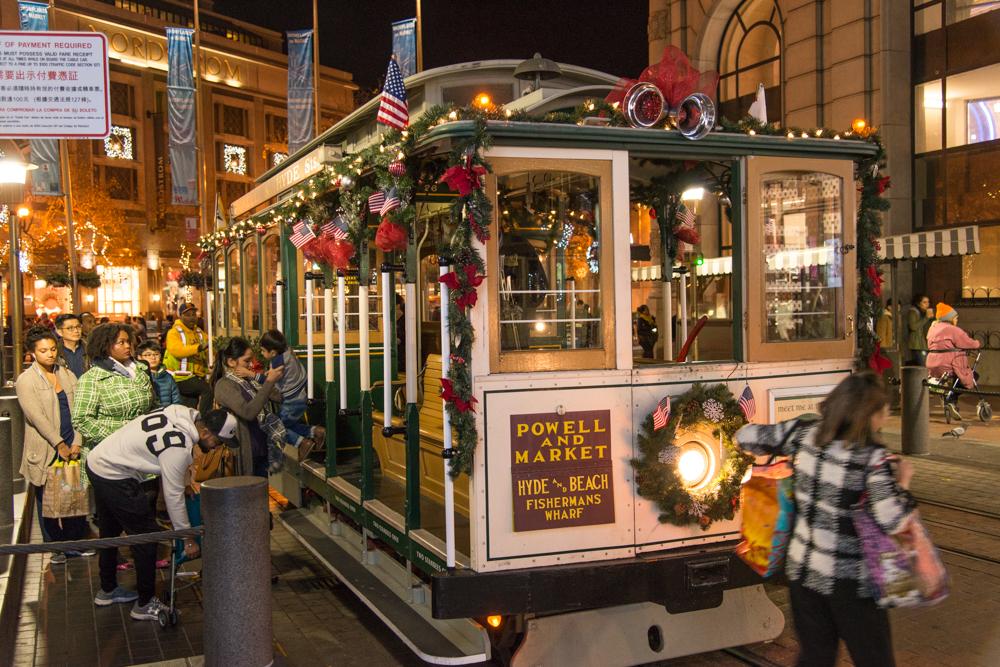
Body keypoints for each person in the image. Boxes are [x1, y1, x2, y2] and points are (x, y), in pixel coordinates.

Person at [735, 372, 917, 667]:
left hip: (803, 576)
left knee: (816, 657)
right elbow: (893, 520)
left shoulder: (803, 433)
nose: (885, 418)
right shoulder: (872, 458)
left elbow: (745, 437)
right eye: (883, 411)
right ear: (868, 414)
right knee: (875, 659)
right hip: (852, 584)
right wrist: (903, 484)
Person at [85, 405, 236, 620]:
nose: (215, 448)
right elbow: (173, 498)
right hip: (115, 474)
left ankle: (107, 590)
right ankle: (145, 604)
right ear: (204, 433)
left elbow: (172, 466)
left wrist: (183, 482)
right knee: (147, 537)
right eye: (217, 442)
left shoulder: (182, 412)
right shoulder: (179, 448)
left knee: (110, 531)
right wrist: (188, 538)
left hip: (99, 460)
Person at [15, 327, 94, 564]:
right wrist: (58, 442)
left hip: (72, 440)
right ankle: (54, 546)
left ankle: (74, 543)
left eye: (52, 349)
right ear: (32, 353)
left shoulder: (66, 374)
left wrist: (77, 441)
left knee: (73, 495)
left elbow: (80, 407)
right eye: (43, 351)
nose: (49, 354)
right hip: (46, 447)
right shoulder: (26, 380)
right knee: (47, 500)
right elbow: (35, 416)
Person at [72, 323, 155, 452]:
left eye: (128, 341)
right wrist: (121, 435)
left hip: (143, 446)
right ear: (105, 346)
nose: (128, 346)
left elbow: (153, 404)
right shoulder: (92, 378)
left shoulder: (140, 370)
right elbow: (81, 420)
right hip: (108, 451)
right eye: (121, 342)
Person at [212, 337, 284, 477]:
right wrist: (268, 382)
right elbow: (248, 412)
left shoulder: (250, 379)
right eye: (246, 361)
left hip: (263, 448)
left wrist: (258, 377)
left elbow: (279, 397)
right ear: (231, 362)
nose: (251, 364)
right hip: (245, 451)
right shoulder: (224, 385)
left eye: (251, 360)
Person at [255, 330, 324, 460]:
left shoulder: (277, 362)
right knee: (288, 425)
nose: (261, 353)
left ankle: (302, 443)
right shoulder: (287, 351)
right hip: (302, 395)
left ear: (273, 352)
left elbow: (270, 380)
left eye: (263, 351)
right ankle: (315, 432)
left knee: (277, 428)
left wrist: (251, 375)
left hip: (292, 401)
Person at [927, 302, 982, 420]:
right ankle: (950, 399)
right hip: (948, 364)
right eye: (956, 318)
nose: (957, 320)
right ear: (950, 318)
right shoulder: (953, 330)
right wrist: (977, 343)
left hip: (932, 364)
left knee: (954, 381)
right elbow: (969, 343)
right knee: (973, 376)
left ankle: (951, 402)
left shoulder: (932, 329)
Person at [163, 303, 213, 415]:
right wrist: (199, 348)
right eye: (188, 315)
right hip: (180, 377)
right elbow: (177, 350)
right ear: (180, 316)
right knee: (207, 390)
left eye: (194, 314)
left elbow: (211, 344)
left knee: (189, 409)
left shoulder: (199, 332)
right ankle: (205, 419)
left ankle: (192, 425)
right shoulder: (174, 332)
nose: (192, 317)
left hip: (195, 376)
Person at [137, 340, 181, 407]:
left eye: (156, 354)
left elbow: (176, 401)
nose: (153, 358)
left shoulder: (168, 377)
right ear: (139, 357)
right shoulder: (138, 377)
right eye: (148, 355)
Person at [54, 313, 88, 378]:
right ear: (59, 332)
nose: (76, 331)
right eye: (70, 328)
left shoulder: (90, 348)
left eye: (78, 327)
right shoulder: (55, 352)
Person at [906, 294, 935, 366]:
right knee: (925, 366)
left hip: (924, 344)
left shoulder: (923, 312)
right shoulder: (913, 312)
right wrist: (926, 318)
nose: (927, 304)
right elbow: (913, 327)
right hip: (917, 345)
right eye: (924, 302)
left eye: (928, 302)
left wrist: (931, 318)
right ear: (918, 303)